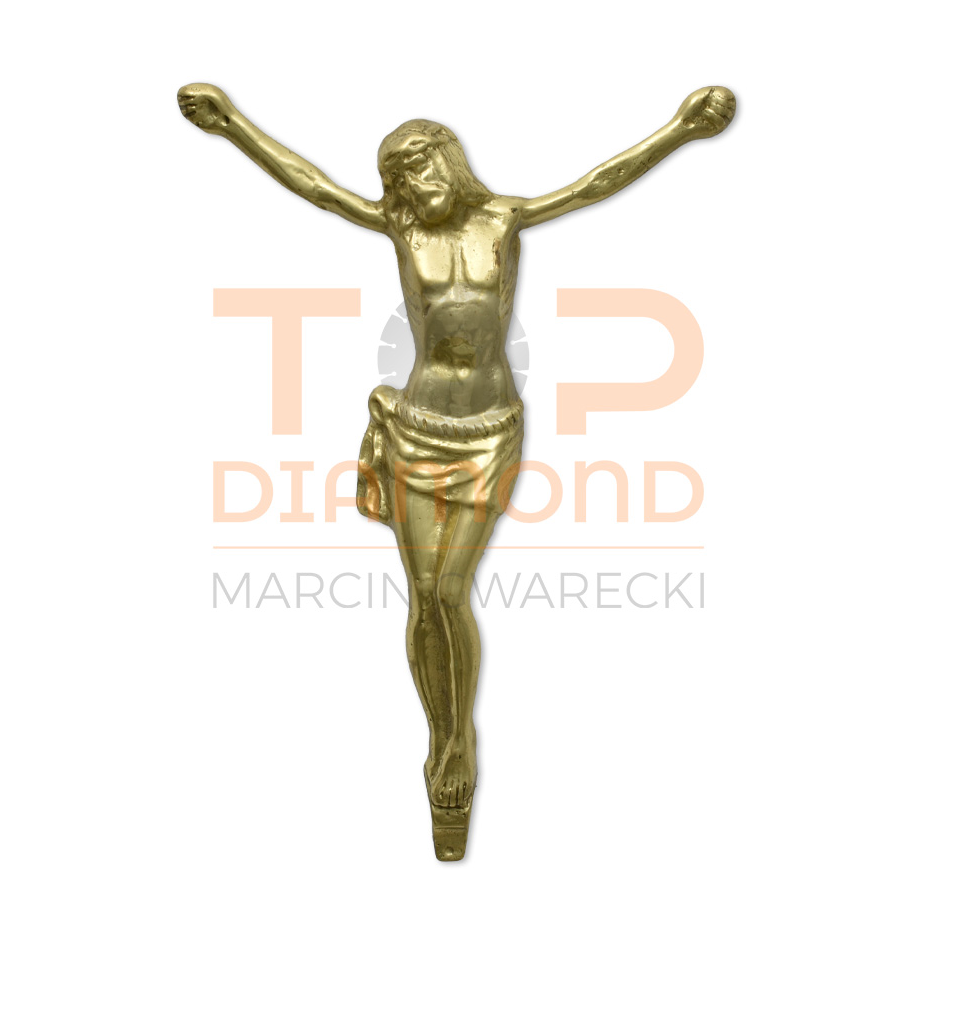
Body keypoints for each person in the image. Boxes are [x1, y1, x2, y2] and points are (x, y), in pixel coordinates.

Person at [178, 82, 735, 858]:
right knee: (424, 595)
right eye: (398, 179)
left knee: (447, 590)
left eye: (419, 169)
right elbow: (316, 188)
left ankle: (454, 741)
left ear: (449, 161)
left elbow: (595, 183)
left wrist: (679, 130)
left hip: (487, 432)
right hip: (417, 427)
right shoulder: (400, 228)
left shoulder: (503, 218)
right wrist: (233, 125)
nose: (410, 188)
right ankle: (444, 745)